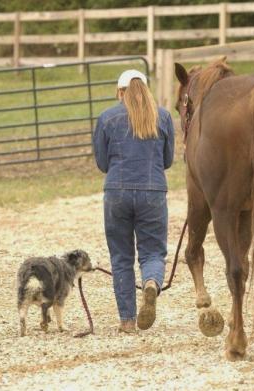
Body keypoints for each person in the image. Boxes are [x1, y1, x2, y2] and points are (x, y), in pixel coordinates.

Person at [93, 69, 175, 333]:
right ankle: (151, 282)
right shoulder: (162, 117)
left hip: (116, 192)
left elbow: (102, 163)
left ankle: (127, 320)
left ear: (120, 93)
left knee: (121, 257)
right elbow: (169, 160)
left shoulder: (107, 118)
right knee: (152, 251)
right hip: (153, 191)